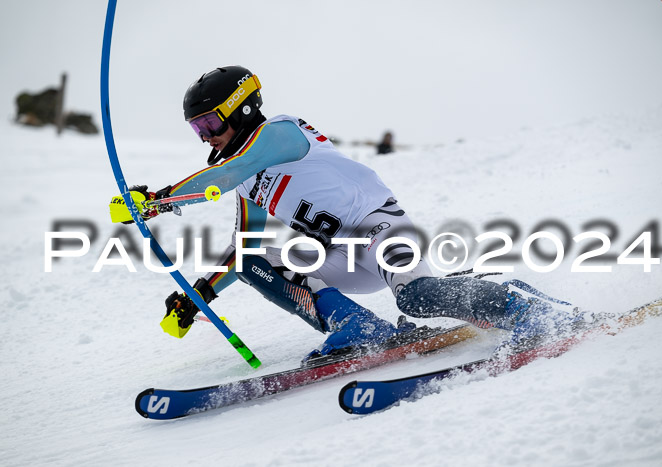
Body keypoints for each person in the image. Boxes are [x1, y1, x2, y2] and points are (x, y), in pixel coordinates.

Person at [121, 66, 590, 360]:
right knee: (249, 259)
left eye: (210, 123)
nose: (206, 137)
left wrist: (158, 200)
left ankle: (522, 305)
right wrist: (199, 295)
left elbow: (233, 169)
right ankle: (355, 327)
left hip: (381, 229)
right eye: (196, 128)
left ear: (241, 109)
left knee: (418, 297)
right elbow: (245, 244)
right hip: (340, 256)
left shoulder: (282, 134)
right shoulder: (243, 178)